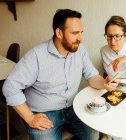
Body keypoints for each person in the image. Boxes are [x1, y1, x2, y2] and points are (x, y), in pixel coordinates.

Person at [3, 9, 118, 140]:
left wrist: (104, 83)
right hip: (44, 112)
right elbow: (10, 87)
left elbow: (91, 76)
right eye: (75, 33)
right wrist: (30, 117)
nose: (80, 38)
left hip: (72, 107)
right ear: (59, 33)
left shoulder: (80, 50)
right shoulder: (36, 56)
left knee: (92, 134)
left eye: (81, 32)